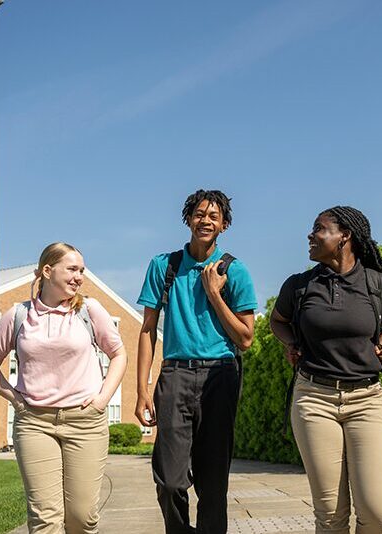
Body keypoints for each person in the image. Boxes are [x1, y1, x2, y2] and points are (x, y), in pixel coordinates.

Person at [270, 206, 382, 534]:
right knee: (331, 515)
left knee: (377, 513)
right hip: (314, 399)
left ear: (344, 236)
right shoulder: (299, 286)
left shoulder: (380, 285)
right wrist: (291, 343)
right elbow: (278, 321)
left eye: (319, 229)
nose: (310, 235)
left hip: (367, 400)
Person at [0, 242, 127, 534]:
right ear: (47, 271)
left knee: (81, 517)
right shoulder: (18, 315)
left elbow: (119, 354)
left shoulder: (89, 310)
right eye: (72, 269)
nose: (79, 277)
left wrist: (102, 399)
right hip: (35, 424)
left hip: (85, 423)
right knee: (44, 518)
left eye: (81, 271)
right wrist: (15, 398)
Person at [134, 189, 257, 534]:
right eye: (199, 214)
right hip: (174, 376)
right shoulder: (164, 266)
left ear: (225, 225)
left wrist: (214, 292)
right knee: (170, 480)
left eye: (213, 216)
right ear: (188, 219)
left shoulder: (235, 271)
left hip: (220, 376)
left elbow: (245, 338)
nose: (206, 221)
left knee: (213, 484)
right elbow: (147, 330)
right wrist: (143, 389)